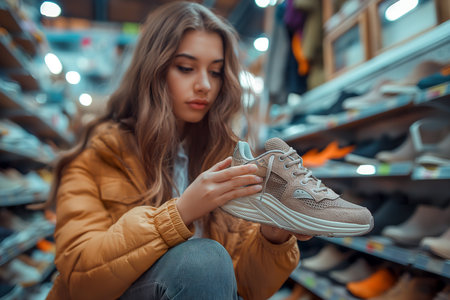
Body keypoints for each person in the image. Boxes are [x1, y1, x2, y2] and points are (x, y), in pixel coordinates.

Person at [46, 2, 311, 299]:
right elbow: (81, 278)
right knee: (202, 259)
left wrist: (273, 236)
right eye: (185, 68)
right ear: (153, 70)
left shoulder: (221, 157)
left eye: (216, 72)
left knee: (208, 262)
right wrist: (181, 212)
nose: (204, 85)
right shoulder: (98, 155)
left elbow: (242, 287)